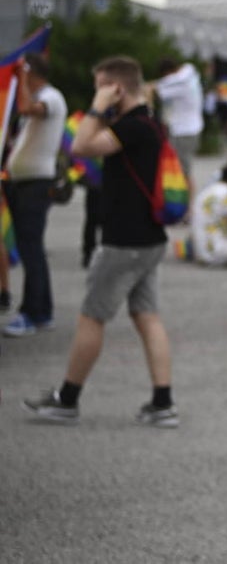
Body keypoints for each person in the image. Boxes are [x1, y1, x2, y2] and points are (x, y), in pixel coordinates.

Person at [23, 56, 178, 427]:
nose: (98, 94)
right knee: (147, 316)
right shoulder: (152, 123)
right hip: (149, 238)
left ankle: (67, 399)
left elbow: (81, 146)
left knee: (92, 317)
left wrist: (97, 107)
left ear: (116, 89)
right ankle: (162, 402)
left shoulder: (133, 126)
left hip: (123, 241)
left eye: (101, 87)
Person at [3, 54, 67, 338]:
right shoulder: (45, 96)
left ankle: (32, 313)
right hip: (24, 182)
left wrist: (21, 78)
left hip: (35, 184)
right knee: (32, 248)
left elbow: (28, 108)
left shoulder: (51, 97)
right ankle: (42, 311)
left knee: (31, 250)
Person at [153, 58, 204, 207]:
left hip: (184, 131)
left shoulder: (181, 82)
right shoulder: (189, 76)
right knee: (184, 170)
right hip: (189, 129)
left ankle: (187, 208)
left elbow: (160, 90)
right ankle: (186, 207)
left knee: (182, 171)